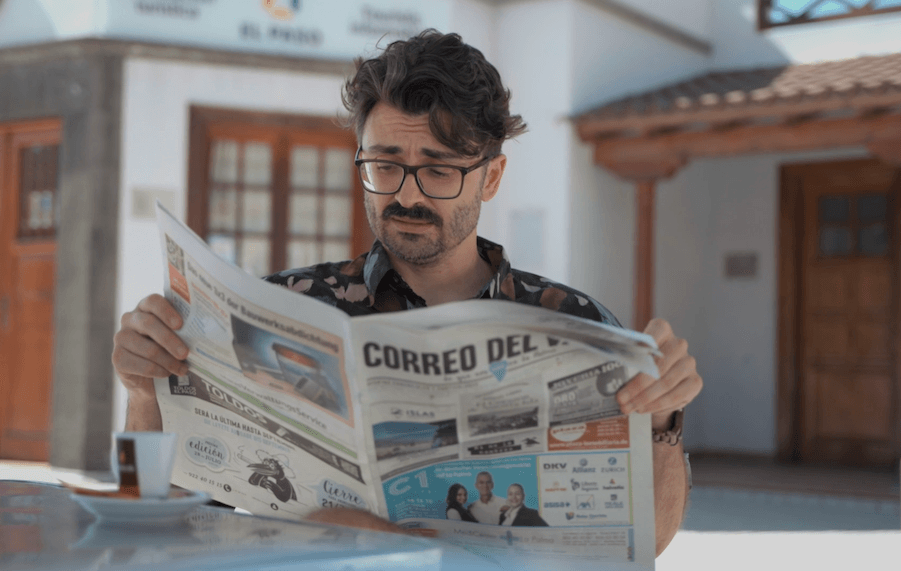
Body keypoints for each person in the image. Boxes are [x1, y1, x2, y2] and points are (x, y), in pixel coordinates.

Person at [112, 29, 702, 554]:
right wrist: (142, 395)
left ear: (491, 177)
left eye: (440, 170)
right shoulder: (281, 306)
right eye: (385, 164)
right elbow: (149, 515)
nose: (407, 195)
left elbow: (649, 541)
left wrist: (663, 418)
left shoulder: (578, 325)